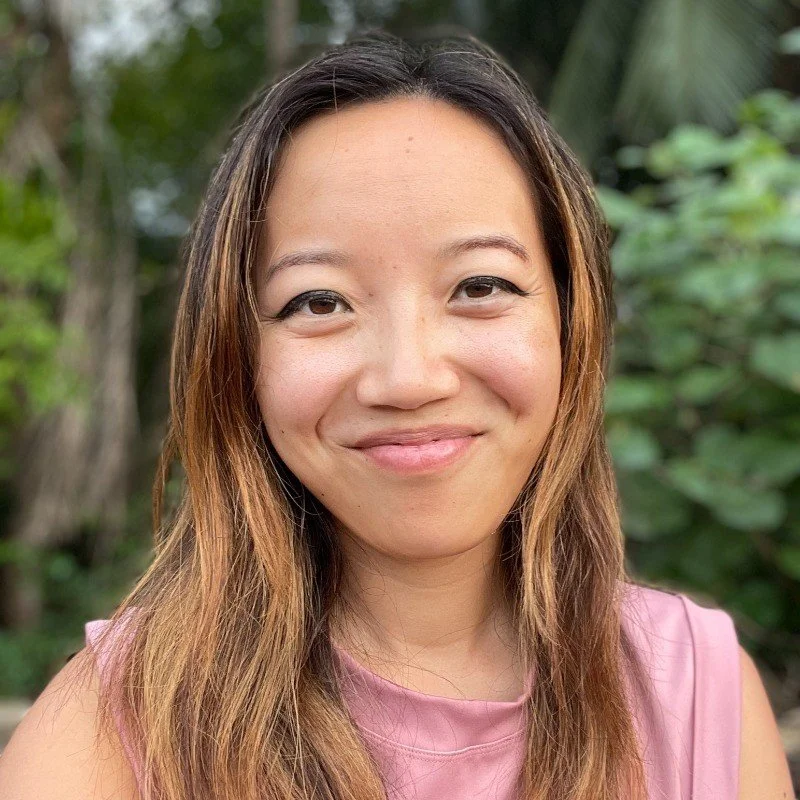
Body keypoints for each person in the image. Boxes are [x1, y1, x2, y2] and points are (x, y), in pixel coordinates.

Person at [0, 30, 793, 800]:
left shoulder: (697, 695)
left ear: (569, 323)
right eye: (319, 301)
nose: (409, 378)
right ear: (239, 357)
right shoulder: (111, 733)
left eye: (481, 286)